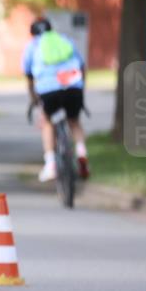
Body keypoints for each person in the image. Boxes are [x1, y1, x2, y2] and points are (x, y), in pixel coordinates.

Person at [23, 16, 89, 182]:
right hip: (73, 84)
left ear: (33, 34)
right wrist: (81, 89)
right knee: (74, 121)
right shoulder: (65, 40)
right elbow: (81, 65)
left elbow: (29, 77)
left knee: (47, 121)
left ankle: (51, 164)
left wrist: (34, 99)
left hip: (49, 88)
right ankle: (82, 153)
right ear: (51, 29)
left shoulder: (32, 46)